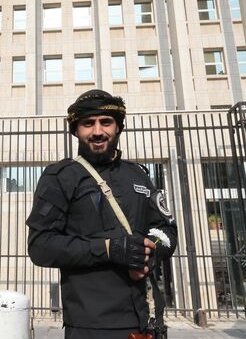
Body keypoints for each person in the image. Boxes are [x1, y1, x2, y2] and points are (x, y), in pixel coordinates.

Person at [27, 90, 178, 339]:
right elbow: (40, 246)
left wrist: (147, 252)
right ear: (75, 130)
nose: (97, 131)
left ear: (118, 127)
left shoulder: (138, 175)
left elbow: (167, 230)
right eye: (88, 123)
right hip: (90, 326)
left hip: (144, 323)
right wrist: (108, 248)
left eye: (106, 122)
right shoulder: (60, 177)